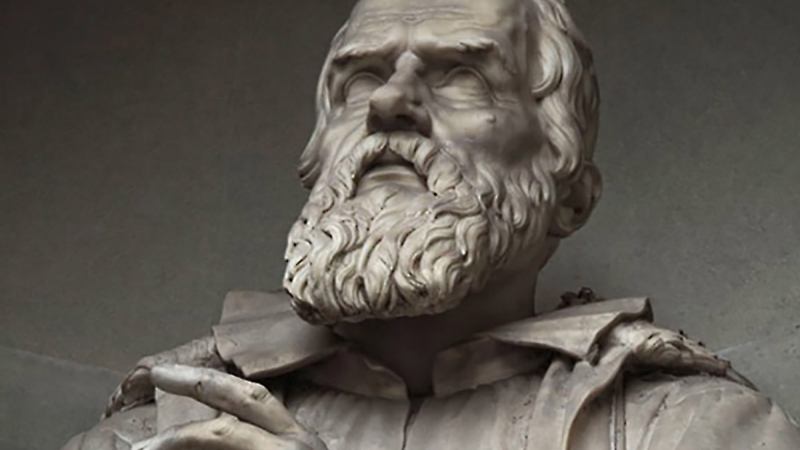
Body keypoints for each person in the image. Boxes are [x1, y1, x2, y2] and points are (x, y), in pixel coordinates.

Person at [64, 0, 800, 448]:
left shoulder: (693, 433)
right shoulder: (151, 433)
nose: (389, 103)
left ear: (570, 198)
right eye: (361, 79)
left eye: (461, 77)